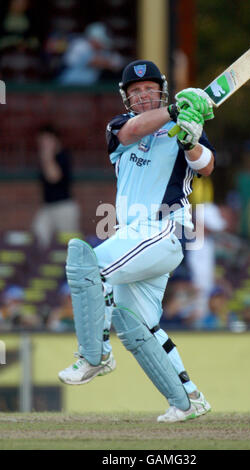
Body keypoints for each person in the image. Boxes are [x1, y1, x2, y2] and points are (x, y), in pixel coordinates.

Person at [58, 59, 216, 423]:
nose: (143, 96)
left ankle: (93, 356)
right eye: (136, 92)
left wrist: (191, 141)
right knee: (137, 324)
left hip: (165, 228)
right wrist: (174, 111)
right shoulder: (119, 126)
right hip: (133, 237)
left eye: (149, 90)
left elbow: (206, 165)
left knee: (88, 266)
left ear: (160, 90)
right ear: (127, 99)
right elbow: (133, 133)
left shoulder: (183, 124)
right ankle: (189, 399)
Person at [32, 124, 80, 248]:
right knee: (38, 235)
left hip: (64, 206)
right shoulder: (43, 159)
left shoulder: (63, 156)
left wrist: (47, 156)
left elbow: (54, 177)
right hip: (47, 206)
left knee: (68, 242)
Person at [57, 22, 124, 85]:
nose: (102, 43)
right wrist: (106, 62)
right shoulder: (79, 45)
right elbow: (92, 62)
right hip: (69, 85)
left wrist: (106, 61)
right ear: (92, 38)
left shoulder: (103, 50)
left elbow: (118, 63)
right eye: (99, 40)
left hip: (89, 87)